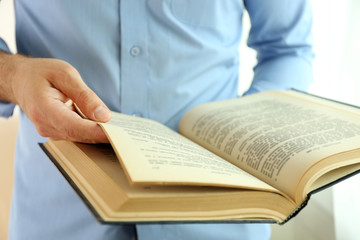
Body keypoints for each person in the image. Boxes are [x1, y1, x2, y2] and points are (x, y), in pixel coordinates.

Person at [0, 0, 314, 239]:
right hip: (58, 215)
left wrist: (247, 132)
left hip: (219, 218)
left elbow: (288, 49)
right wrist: (13, 77)